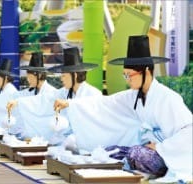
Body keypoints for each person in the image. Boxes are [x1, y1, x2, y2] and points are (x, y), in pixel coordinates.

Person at [54, 35, 192, 182]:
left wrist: (160, 147)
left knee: (136, 153)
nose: (127, 79)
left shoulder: (167, 98)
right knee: (109, 151)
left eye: (129, 75)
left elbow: (189, 132)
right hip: (146, 149)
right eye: (124, 75)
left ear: (146, 71)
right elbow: (105, 103)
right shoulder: (133, 96)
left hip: (169, 155)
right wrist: (71, 104)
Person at [7, 47, 102, 144]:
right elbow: (45, 98)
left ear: (75, 75)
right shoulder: (64, 92)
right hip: (69, 141)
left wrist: (69, 103)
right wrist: (19, 102)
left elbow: (91, 113)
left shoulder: (93, 94)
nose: (61, 79)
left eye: (64, 76)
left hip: (88, 141)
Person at [7, 52, 57, 135]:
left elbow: (39, 101)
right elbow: (17, 96)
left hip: (47, 136)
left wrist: (19, 102)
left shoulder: (51, 92)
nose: (28, 80)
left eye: (30, 77)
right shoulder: (30, 92)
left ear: (39, 75)